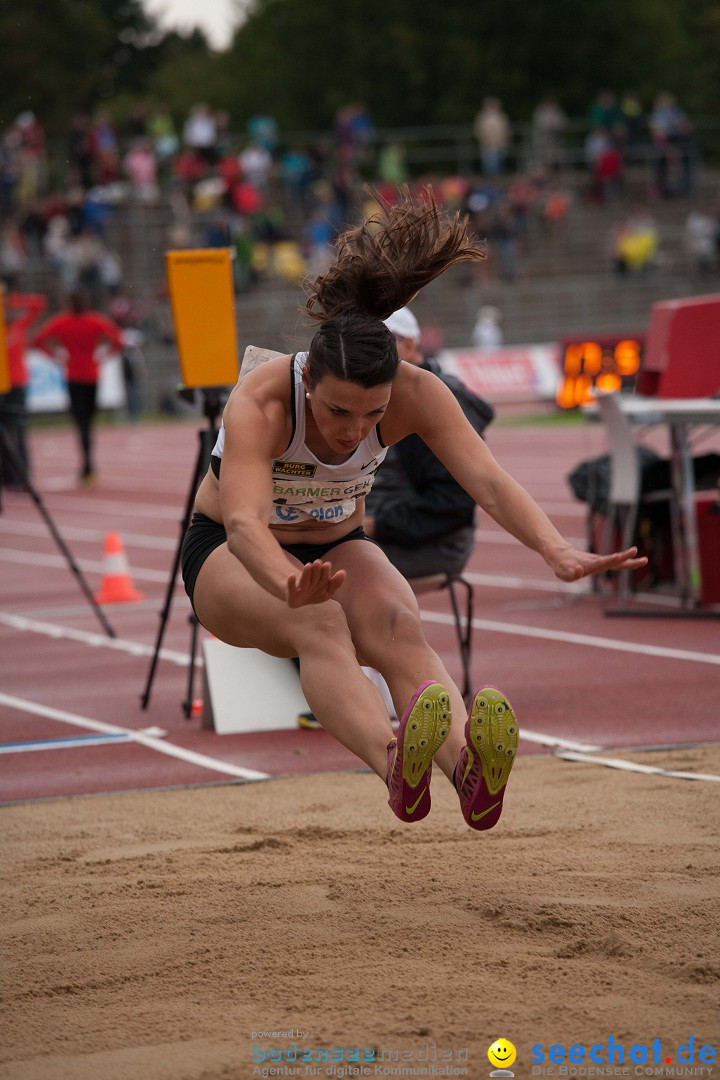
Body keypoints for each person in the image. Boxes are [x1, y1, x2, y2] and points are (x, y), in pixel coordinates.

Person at [180, 189, 646, 832]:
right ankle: (394, 764)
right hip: (230, 556)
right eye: (338, 411)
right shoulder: (261, 402)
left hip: (339, 544)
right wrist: (289, 580)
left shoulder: (418, 393)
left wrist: (555, 549)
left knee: (401, 626)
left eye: (372, 415)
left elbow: (487, 481)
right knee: (318, 622)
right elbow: (243, 523)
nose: (353, 432)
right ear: (309, 379)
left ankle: (470, 777)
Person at [364, 305, 484, 580]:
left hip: (433, 545)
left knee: (320, 568)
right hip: (383, 532)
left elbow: (454, 502)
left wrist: (373, 525)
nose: (367, 353)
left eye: (380, 343)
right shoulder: (381, 395)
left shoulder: (434, 402)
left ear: (408, 345)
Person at [31, 289, 123, 485]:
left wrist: (55, 355)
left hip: (73, 375)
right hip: (91, 375)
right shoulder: (95, 320)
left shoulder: (62, 322)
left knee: (81, 423)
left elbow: (38, 340)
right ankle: (88, 465)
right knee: (88, 422)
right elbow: (118, 340)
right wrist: (103, 356)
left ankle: (87, 465)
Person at [0, 292, 47, 489]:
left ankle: (23, 475)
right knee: (3, 433)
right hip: (2, 386)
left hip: (18, 384)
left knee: (19, 430)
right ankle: (7, 476)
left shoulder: (20, 325)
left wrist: (12, 300)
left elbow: (38, 303)